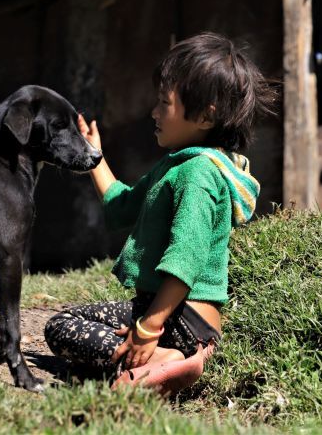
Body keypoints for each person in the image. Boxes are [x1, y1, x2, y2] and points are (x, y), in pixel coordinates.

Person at [44, 31, 275, 395]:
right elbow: (122, 205)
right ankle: (152, 367)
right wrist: (94, 157)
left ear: (204, 115)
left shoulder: (198, 174)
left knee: (62, 327)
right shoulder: (176, 166)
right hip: (171, 314)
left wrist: (147, 328)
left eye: (163, 103)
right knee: (74, 329)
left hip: (183, 319)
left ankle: (164, 360)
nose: (153, 112)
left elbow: (185, 262)